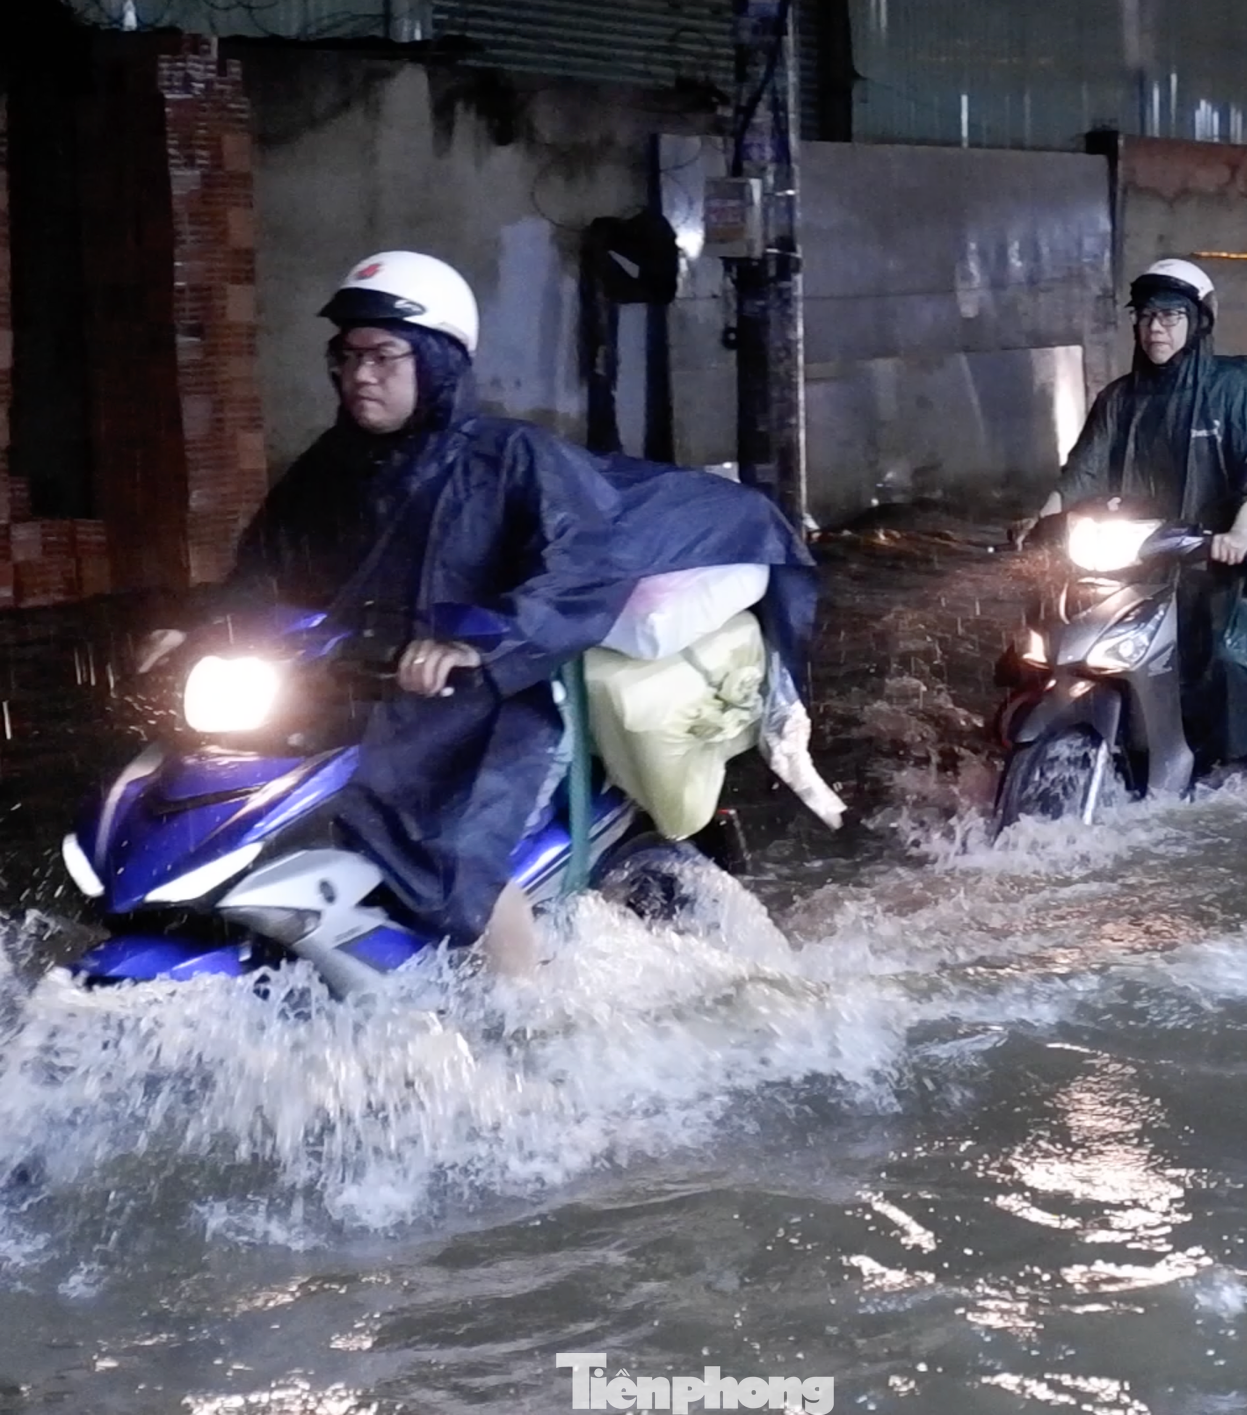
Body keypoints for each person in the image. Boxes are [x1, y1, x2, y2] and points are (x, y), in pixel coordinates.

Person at [138, 250, 817, 975]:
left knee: (454, 855)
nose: (359, 373)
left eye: (382, 355)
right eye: (346, 355)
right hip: (362, 693)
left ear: (435, 359)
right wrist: (201, 629)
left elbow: (578, 568)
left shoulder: (513, 458)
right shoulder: (328, 467)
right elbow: (262, 572)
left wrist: (479, 643)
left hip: (500, 702)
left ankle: (526, 1033)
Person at [1014, 258, 1247, 767]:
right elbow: (1083, 470)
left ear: (1197, 321)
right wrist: (1042, 517)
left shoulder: (1235, 387)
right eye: (1145, 317)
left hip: (1225, 549)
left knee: (1241, 648)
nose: (1155, 328)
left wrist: (1240, 532)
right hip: (1150, 547)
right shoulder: (1120, 398)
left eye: (1170, 317)